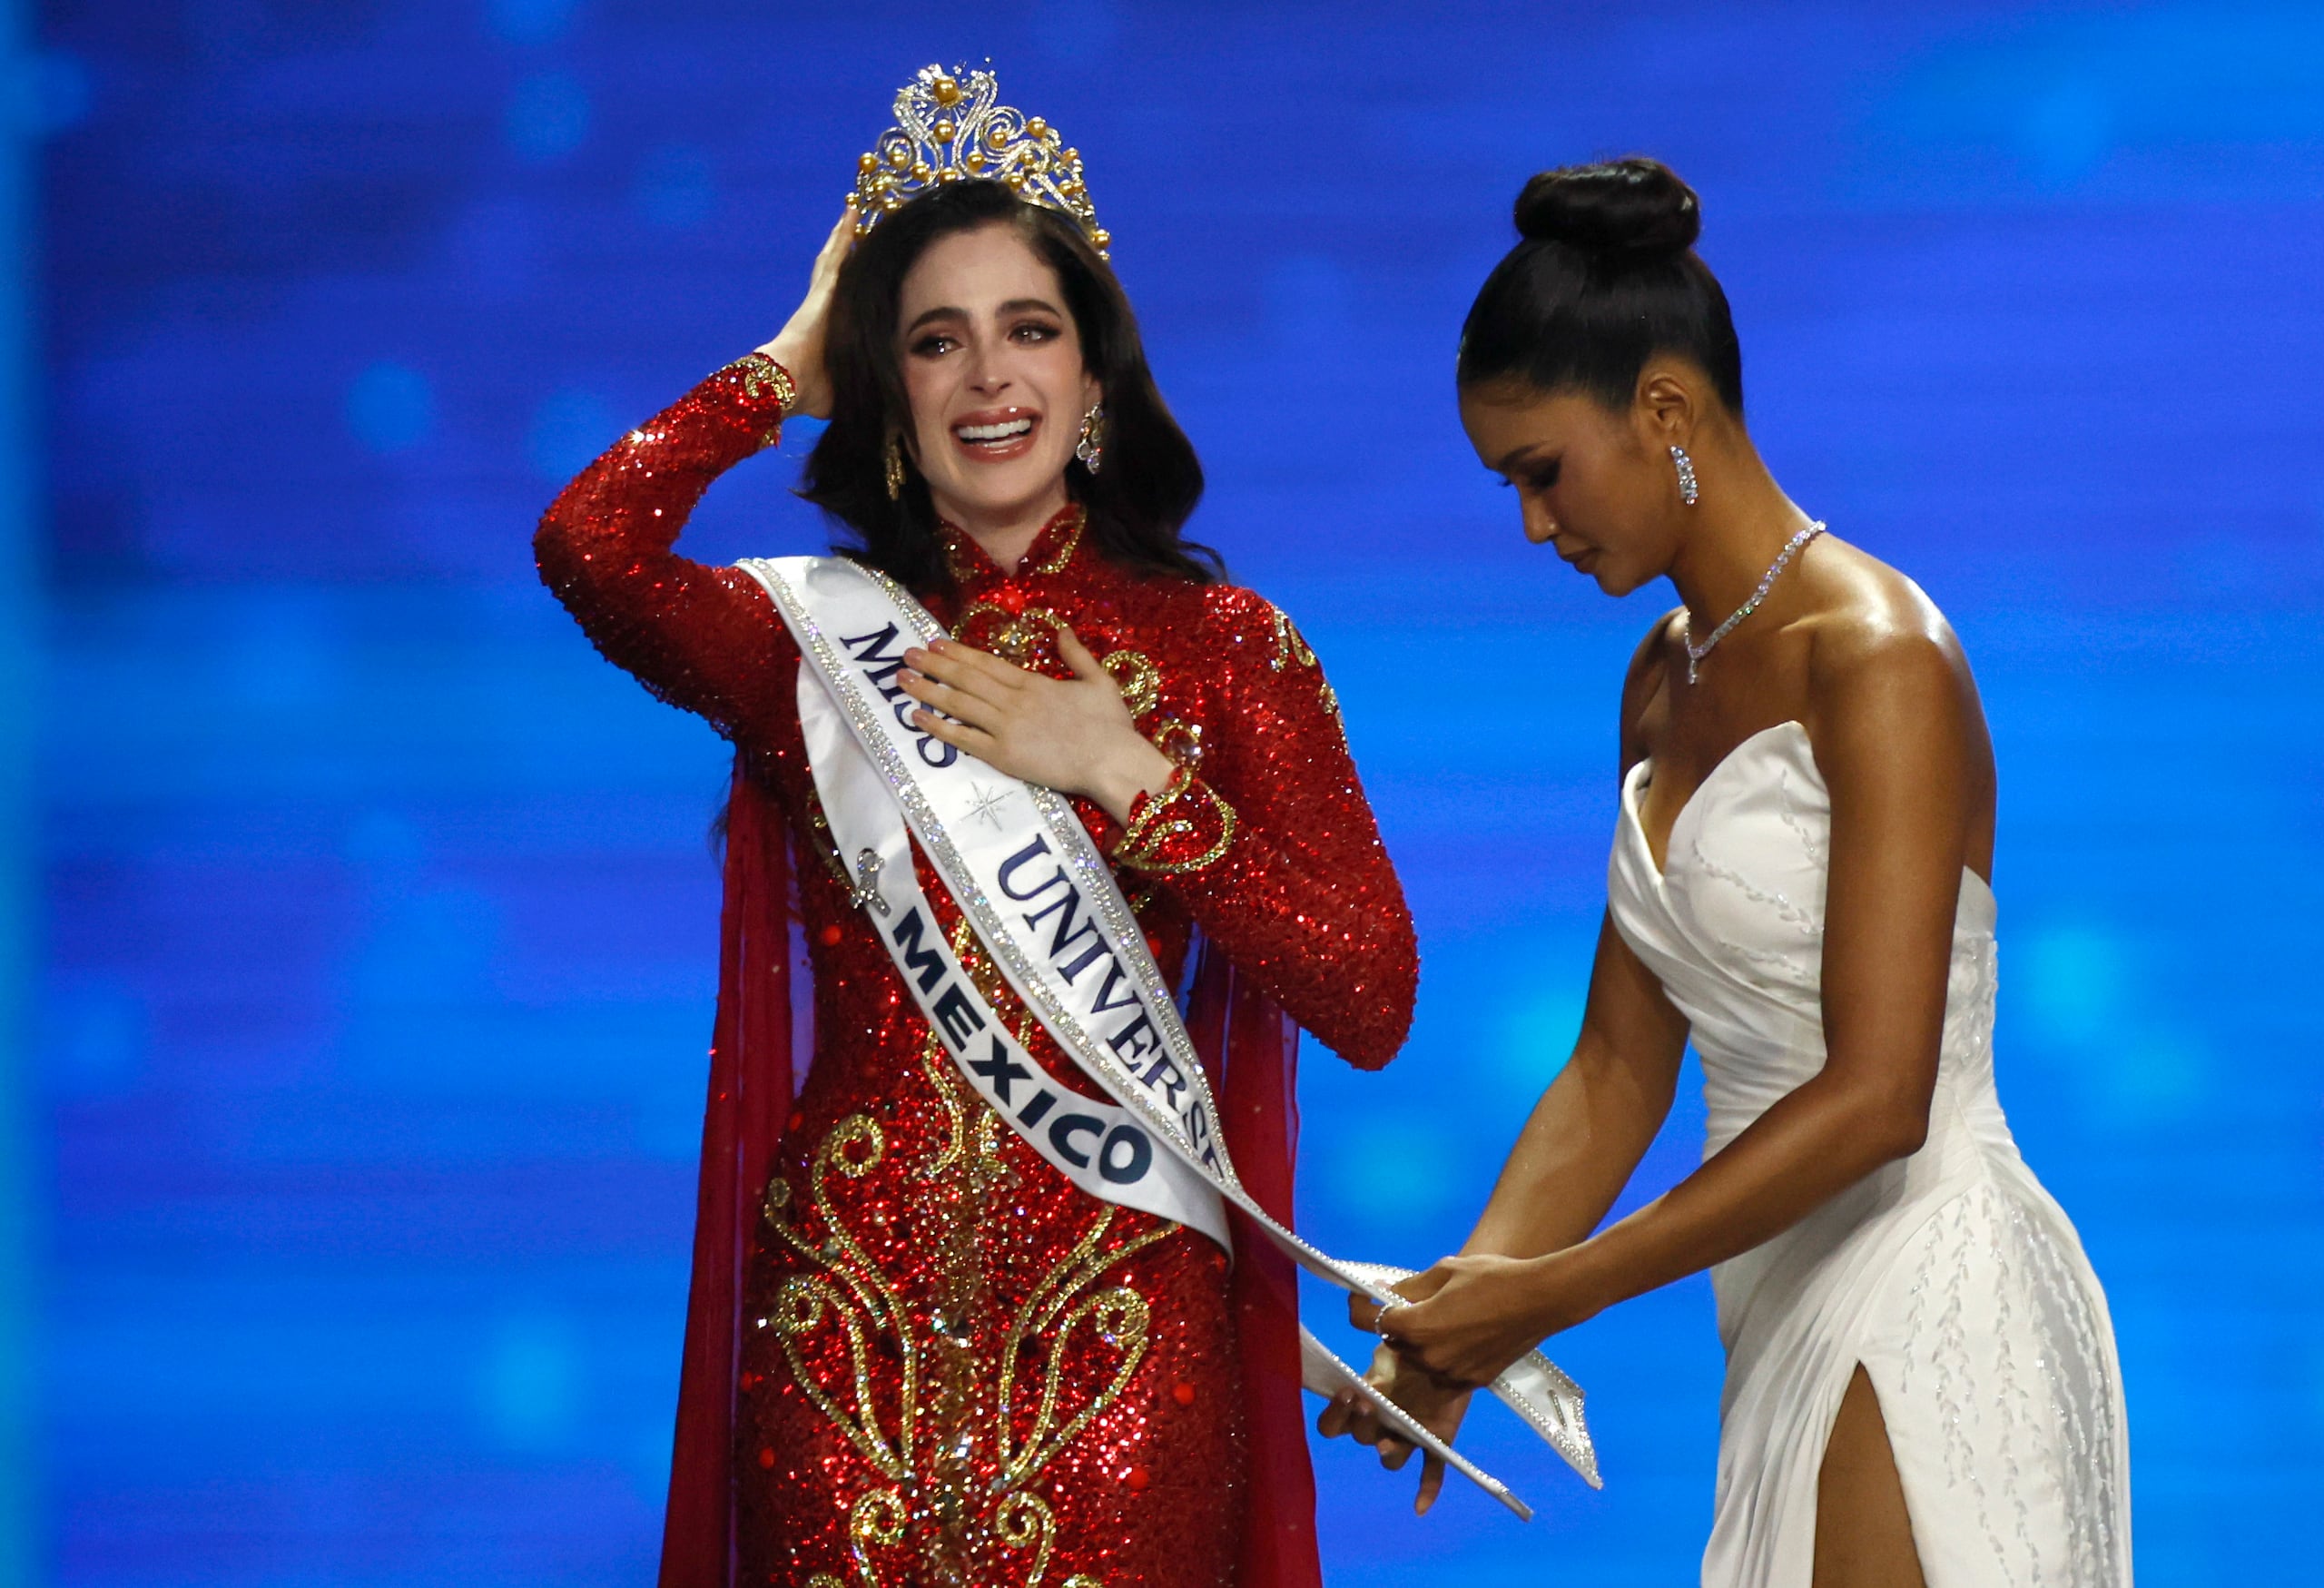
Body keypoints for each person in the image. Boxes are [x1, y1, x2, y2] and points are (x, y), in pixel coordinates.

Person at [534, 65, 1416, 1588]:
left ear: (1094, 383)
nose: (987, 376)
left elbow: (1371, 992)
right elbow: (588, 544)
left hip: (1122, 1345)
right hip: (843, 1350)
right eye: (933, 341)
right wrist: (777, 369)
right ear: (887, 394)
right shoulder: (808, 644)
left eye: (1030, 330)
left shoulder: (1224, 653)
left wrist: (1133, 779)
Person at [1319, 158, 2129, 1587]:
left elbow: (1882, 1096)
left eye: (1542, 470)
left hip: (1932, 1278)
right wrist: (1455, 1318)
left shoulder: (1879, 657)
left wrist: (1548, 1294)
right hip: (1771, 1301)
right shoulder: (1655, 683)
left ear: (1666, 412)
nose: (1529, 523)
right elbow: (1618, 1070)